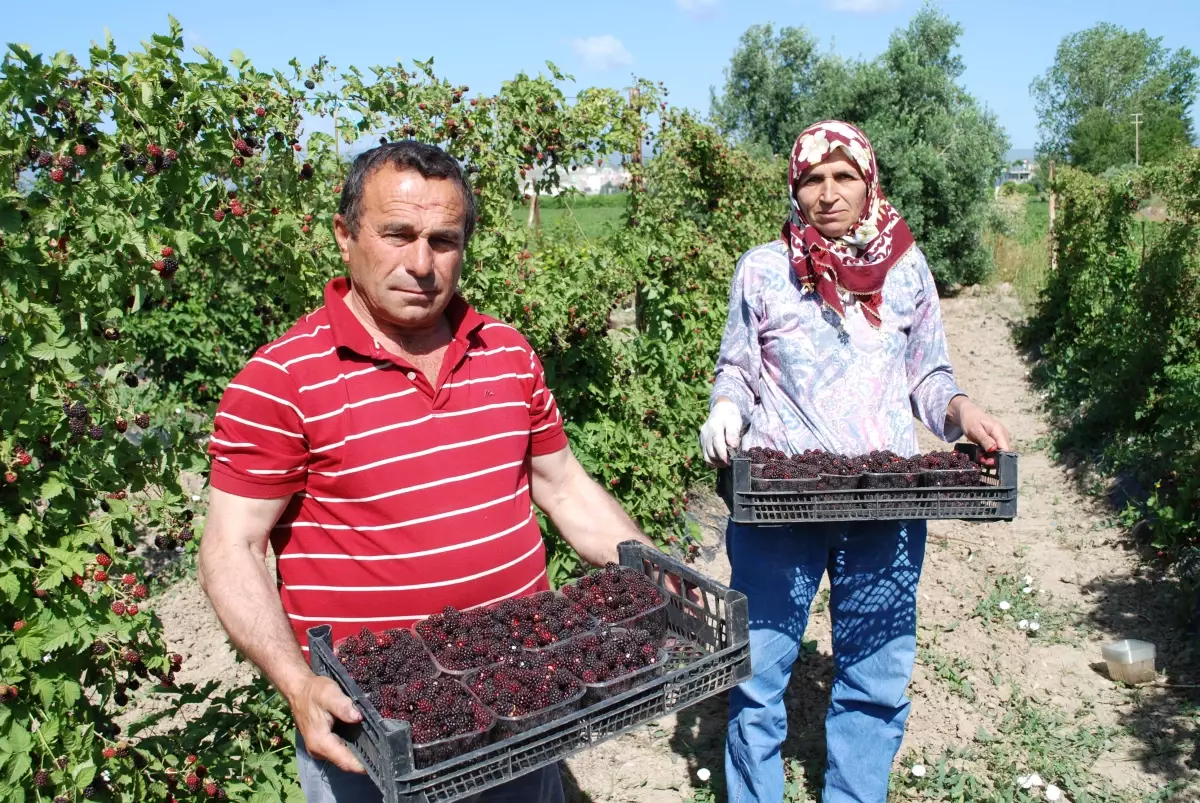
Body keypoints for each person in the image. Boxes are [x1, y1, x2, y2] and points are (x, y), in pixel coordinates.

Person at [198, 141, 660, 803]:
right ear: (344, 235)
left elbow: (563, 486)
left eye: (443, 240)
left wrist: (660, 572)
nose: (420, 263)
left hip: (522, 695)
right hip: (374, 731)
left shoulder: (506, 352)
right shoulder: (280, 380)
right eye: (397, 234)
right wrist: (297, 683)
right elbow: (230, 545)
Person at [699, 120, 1011, 803]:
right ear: (794, 187)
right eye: (813, 178)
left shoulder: (905, 269)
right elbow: (739, 366)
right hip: (781, 501)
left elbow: (927, 374)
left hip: (885, 502)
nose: (829, 192)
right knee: (757, 672)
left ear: (869, 181)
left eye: (844, 176)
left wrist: (961, 411)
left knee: (876, 674)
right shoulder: (764, 270)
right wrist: (726, 406)